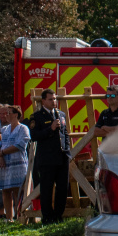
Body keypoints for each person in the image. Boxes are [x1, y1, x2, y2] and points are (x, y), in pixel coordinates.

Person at [28, 88, 72, 225]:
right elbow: (34, 136)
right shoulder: (37, 116)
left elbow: (65, 135)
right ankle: (47, 217)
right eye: (51, 99)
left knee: (62, 188)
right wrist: (50, 129)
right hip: (47, 159)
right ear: (43, 101)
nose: (54, 101)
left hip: (61, 158)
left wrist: (68, 152)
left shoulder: (61, 114)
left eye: (55, 99)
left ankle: (58, 216)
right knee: (46, 189)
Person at [0, 103, 30, 222]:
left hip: (17, 164)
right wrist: (0, 156)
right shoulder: (4, 129)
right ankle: (8, 217)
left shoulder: (23, 128)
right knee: (5, 190)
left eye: (8, 113)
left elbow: (20, 145)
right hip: (4, 165)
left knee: (17, 190)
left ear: (15, 115)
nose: (6, 115)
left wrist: (3, 152)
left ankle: (18, 216)